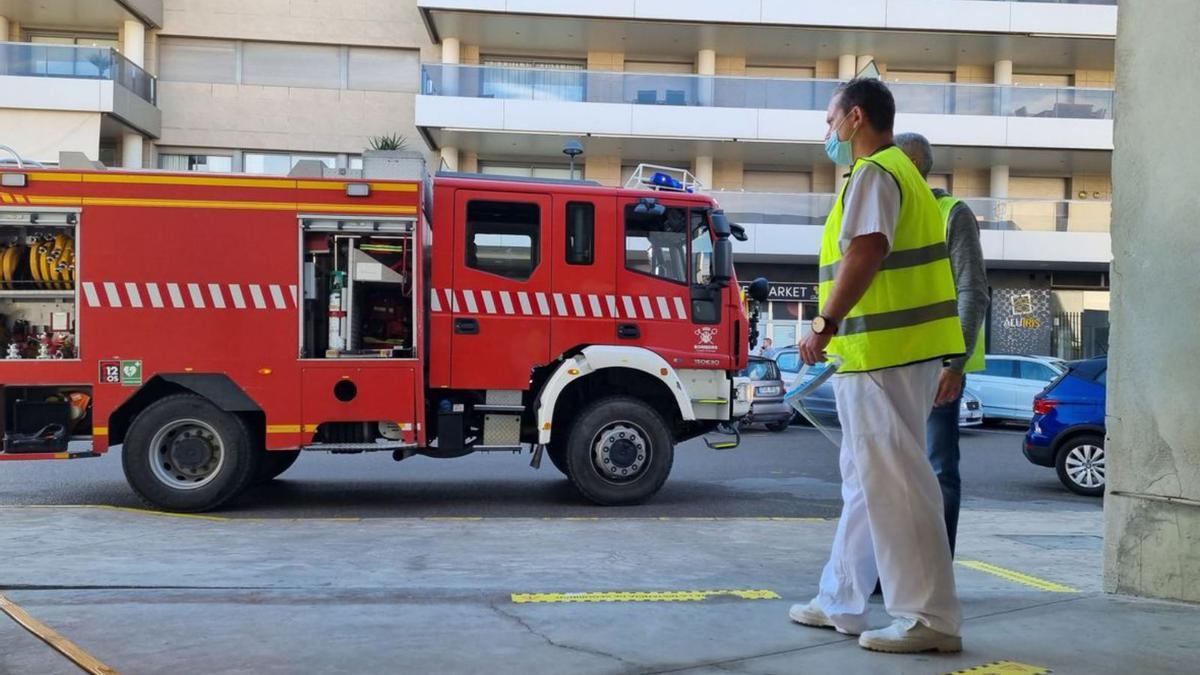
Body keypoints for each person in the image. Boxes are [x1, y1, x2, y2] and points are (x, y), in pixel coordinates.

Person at [789, 78, 966, 654]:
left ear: (856, 117)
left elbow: (866, 249)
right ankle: (840, 597)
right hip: (890, 354)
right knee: (867, 481)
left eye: (831, 120)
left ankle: (928, 617)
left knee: (896, 483)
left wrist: (824, 324)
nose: (828, 132)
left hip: (880, 354)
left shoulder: (874, 172)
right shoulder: (903, 172)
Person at [895, 132, 989, 556]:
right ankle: (892, 572)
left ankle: (934, 571)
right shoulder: (890, 216)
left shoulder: (952, 213)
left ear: (912, 167)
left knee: (937, 470)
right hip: (892, 364)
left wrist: (956, 364)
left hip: (937, 367)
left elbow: (973, 291)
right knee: (890, 472)